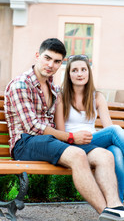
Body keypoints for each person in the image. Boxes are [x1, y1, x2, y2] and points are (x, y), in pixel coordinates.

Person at [4, 39, 124, 221]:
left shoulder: (53, 88)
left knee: (105, 156)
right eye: (47, 58)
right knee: (77, 155)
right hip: (26, 142)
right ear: (37, 56)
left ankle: (117, 208)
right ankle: (108, 214)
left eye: (57, 61)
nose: (51, 65)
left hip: (51, 143)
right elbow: (33, 127)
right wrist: (70, 136)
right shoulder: (21, 84)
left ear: (61, 63)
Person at [55, 54, 124, 203]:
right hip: (72, 143)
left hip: (94, 141)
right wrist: (74, 136)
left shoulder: (97, 97)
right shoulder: (61, 97)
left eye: (83, 69)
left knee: (116, 151)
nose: (79, 73)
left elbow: (108, 127)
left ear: (88, 72)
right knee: (115, 130)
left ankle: (120, 203)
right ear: (68, 75)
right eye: (74, 70)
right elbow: (61, 133)